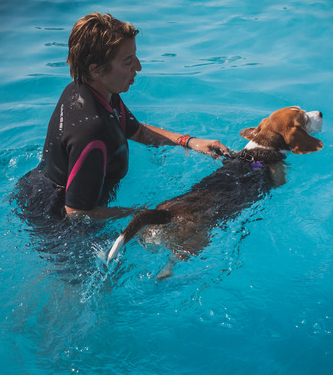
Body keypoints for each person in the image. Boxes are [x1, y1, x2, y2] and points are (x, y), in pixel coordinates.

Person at [15, 12, 230, 223]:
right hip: (56, 222)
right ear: (96, 69)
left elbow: (137, 131)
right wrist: (139, 213)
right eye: (128, 61)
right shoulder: (93, 131)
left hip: (37, 187)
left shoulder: (90, 90)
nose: (138, 66)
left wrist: (188, 142)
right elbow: (77, 212)